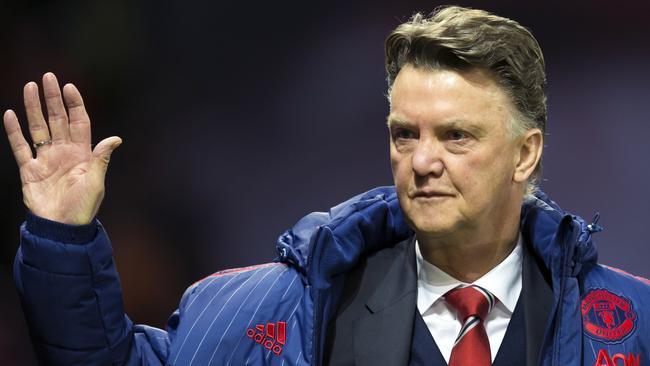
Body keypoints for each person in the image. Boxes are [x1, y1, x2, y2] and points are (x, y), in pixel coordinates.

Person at [4, 5, 649, 366]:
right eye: (405, 135)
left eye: (456, 136)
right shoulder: (278, 308)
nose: (421, 162)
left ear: (525, 153)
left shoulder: (632, 326)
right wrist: (63, 238)